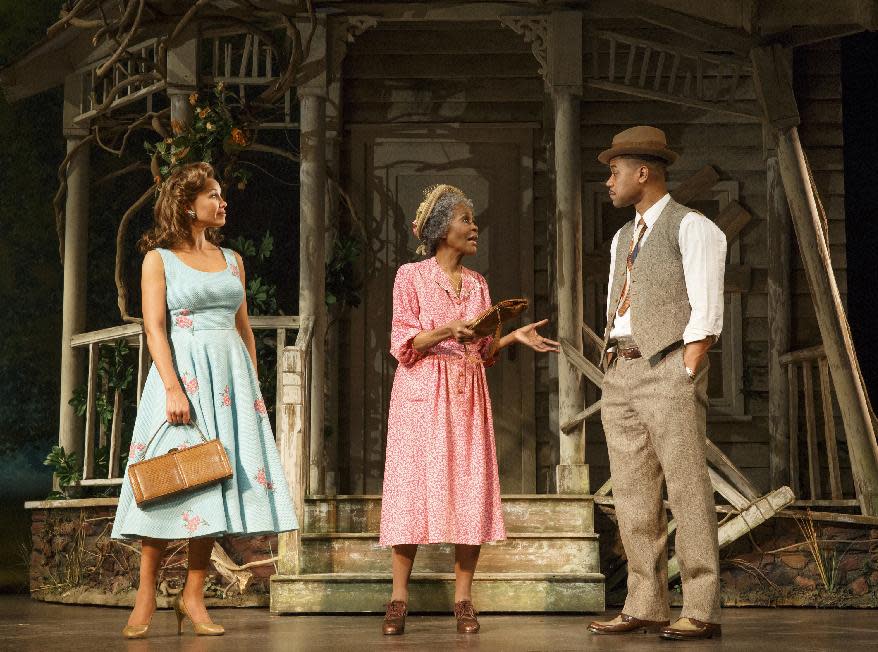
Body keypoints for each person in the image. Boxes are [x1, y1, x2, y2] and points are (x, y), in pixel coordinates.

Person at [111, 162, 297, 638]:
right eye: (212, 196)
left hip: (231, 381)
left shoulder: (232, 259)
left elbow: (244, 329)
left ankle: (192, 594)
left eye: (221, 195)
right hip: (184, 375)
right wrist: (172, 386)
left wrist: (252, 388)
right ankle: (147, 593)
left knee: (215, 483)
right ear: (187, 205)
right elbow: (154, 327)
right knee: (170, 479)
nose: (222, 202)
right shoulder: (159, 259)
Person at [379, 184, 559, 635]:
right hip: (422, 390)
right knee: (411, 485)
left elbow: (480, 346)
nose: (473, 226)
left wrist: (512, 337)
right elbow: (404, 342)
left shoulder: (478, 284)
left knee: (469, 485)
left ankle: (463, 597)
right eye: (464, 219)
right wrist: (445, 330)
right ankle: (399, 596)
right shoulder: (411, 276)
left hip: (467, 391)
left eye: (472, 219)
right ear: (441, 229)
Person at [586, 126, 727, 641]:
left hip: (668, 366)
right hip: (621, 371)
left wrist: (685, 368)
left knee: (687, 490)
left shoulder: (693, 228)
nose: (609, 181)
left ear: (642, 173)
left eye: (615, 171)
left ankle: (701, 608)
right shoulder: (625, 237)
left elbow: (707, 312)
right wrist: (611, 370)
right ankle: (645, 603)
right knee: (633, 495)